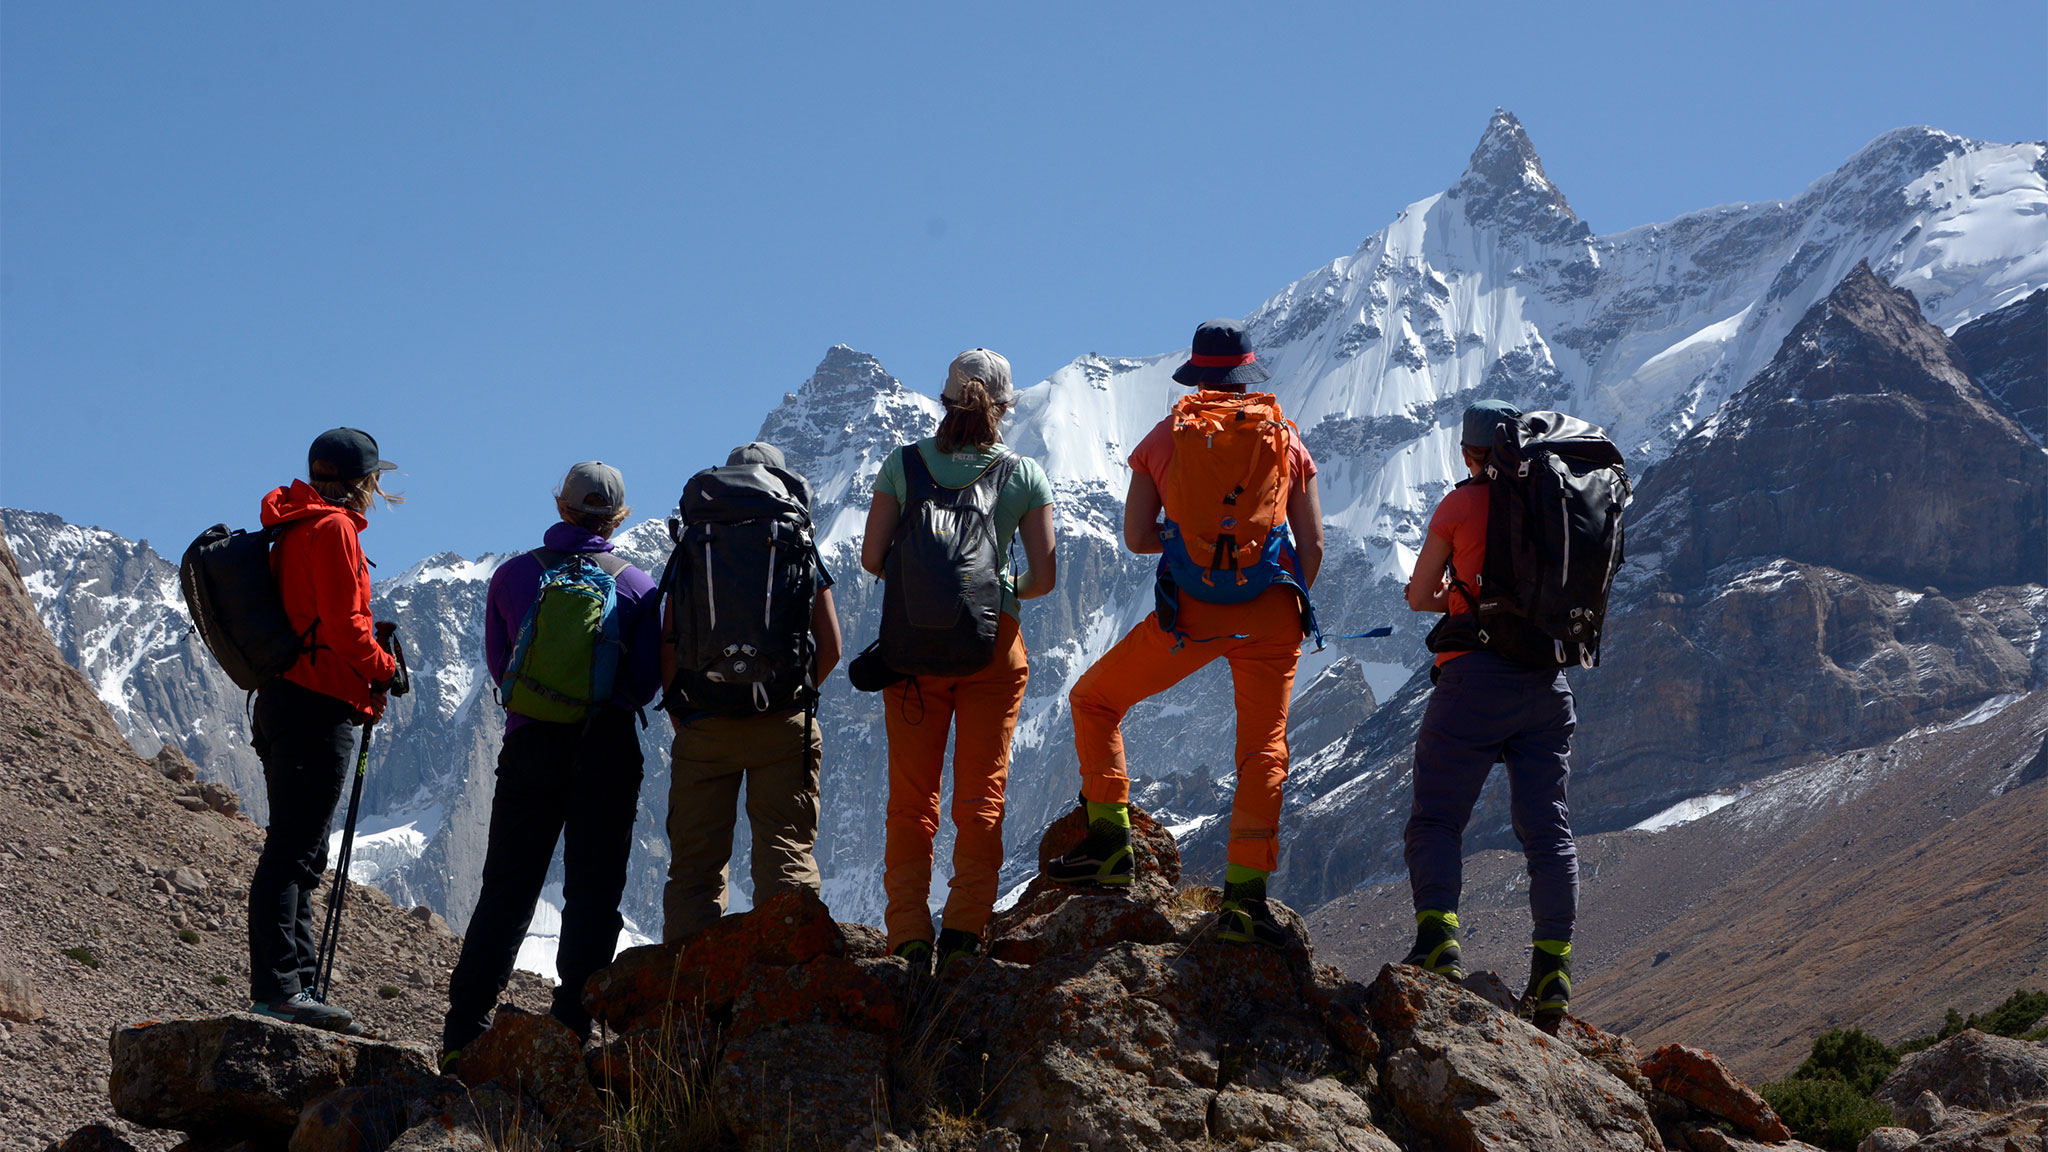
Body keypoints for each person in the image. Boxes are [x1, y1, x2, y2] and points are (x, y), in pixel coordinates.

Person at [1049, 317, 1324, 949]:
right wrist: (1275, 598)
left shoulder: (1167, 437)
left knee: (1095, 701)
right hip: (1272, 615)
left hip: (1193, 615)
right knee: (1264, 754)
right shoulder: (1284, 437)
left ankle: (1112, 847)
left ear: (1196, 376)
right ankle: (1245, 903)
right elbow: (1313, 547)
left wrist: (1194, 549)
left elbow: (1139, 537)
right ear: (1247, 373)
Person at [442, 462, 661, 1061]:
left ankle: (464, 1032)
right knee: (594, 892)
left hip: (531, 744)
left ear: (561, 508)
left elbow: (501, 666)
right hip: (606, 747)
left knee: (507, 889)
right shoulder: (639, 586)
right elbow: (644, 682)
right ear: (617, 518)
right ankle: (571, 1027)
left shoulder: (512, 577)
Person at [860, 348, 1057, 974]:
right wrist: (997, 592)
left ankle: (909, 937)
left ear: (945, 400)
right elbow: (1046, 577)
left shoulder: (902, 465)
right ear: (1003, 407)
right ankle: (967, 933)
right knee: (982, 798)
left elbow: (870, 559)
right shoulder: (1023, 474)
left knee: (912, 799)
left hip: (914, 651)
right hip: (992, 650)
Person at [1400, 398, 1579, 1029]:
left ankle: (1440, 941)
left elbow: (1421, 596)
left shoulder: (1460, 505)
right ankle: (1552, 972)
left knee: (1437, 819)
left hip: (1475, 678)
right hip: (1547, 683)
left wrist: (1459, 591)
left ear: (1471, 451)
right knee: (1546, 830)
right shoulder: (1554, 499)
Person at [246, 427, 402, 1032]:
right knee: (294, 850)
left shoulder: (293, 525)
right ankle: (283, 990)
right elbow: (344, 627)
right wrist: (384, 670)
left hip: (290, 700)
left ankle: (298, 987)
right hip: (318, 704)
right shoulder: (334, 529)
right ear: (364, 482)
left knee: (301, 850)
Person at [660, 442, 843, 942]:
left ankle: (686, 995)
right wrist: (789, 693)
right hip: (782, 724)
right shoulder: (795, 539)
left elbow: (670, 639)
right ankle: (788, 988)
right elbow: (831, 645)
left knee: (696, 869)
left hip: (704, 726)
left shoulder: (698, 542)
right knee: (786, 854)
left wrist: (685, 709)